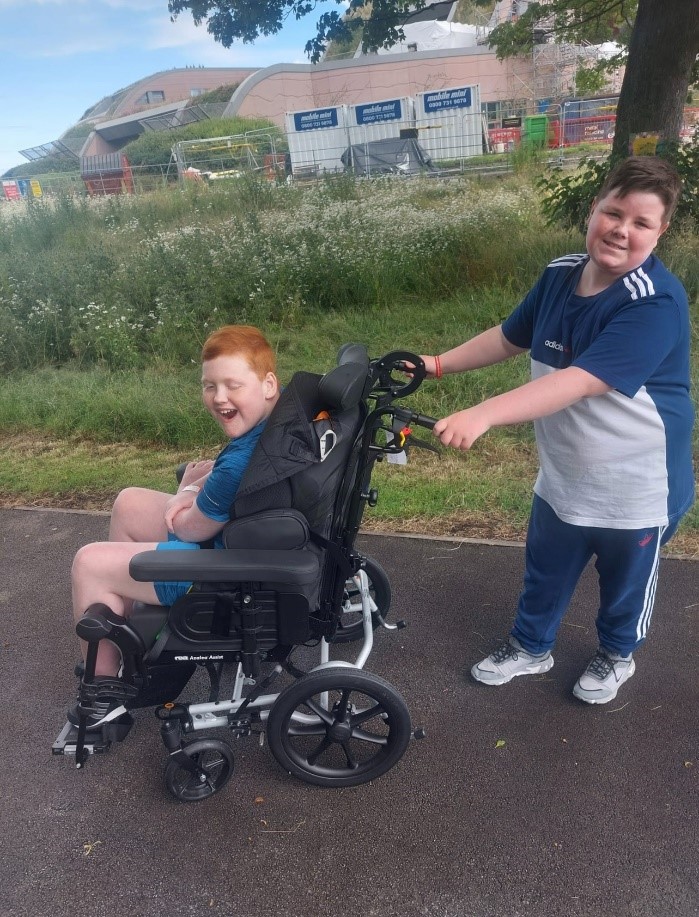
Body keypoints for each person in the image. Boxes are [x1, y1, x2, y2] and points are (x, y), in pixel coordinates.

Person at [422, 156, 694, 704]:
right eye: (613, 212)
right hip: (566, 475)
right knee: (544, 571)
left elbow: (579, 382)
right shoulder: (559, 274)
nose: (621, 229)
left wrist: (484, 413)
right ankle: (530, 647)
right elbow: (508, 336)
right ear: (593, 208)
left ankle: (617, 655)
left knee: (625, 585)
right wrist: (437, 364)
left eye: (641, 223)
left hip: (637, 488)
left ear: (660, 232)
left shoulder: (654, 302)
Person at [70, 325, 280, 696]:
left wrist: (183, 492)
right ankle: (131, 632)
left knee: (89, 563)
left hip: (214, 571)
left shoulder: (238, 466)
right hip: (235, 540)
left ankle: (103, 688)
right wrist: (197, 487)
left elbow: (186, 529)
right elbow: (219, 474)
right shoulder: (271, 426)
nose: (219, 397)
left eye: (233, 385)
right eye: (209, 385)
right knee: (128, 502)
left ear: (267, 385)